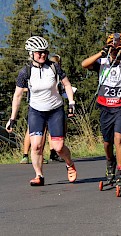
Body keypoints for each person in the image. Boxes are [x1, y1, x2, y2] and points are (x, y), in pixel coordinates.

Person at [6, 36, 77, 186]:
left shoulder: (54, 67)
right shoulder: (25, 72)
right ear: (31, 54)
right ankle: (39, 175)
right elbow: (17, 95)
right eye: (39, 52)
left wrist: (71, 103)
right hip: (36, 112)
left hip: (55, 110)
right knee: (37, 145)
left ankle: (69, 163)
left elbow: (67, 85)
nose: (43, 55)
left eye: (45, 52)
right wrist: (12, 119)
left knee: (58, 147)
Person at [81, 33, 121, 195]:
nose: (115, 52)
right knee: (107, 143)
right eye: (112, 49)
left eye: (118, 49)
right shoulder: (102, 62)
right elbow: (84, 64)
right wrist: (102, 53)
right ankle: (110, 163)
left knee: (119, 139)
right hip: (106, 109)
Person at [19, 54, 66, 164]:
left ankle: (50, 152)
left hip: (50, 105)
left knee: (44, 131)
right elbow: (23, 88)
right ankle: (26, 154)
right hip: (36, 105)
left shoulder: (52, 71)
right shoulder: (31, 70)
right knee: (36, 131)